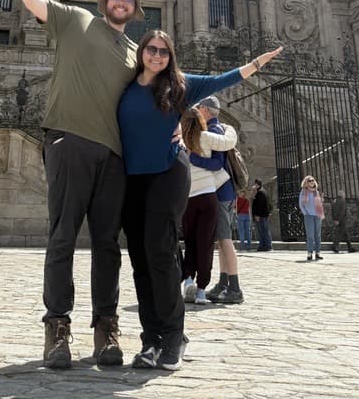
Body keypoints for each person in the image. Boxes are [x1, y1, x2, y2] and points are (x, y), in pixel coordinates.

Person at [0, 0, 140, 370]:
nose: (121, 2)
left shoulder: (137, 52)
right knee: (61, 239)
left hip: (113, 156)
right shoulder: (76, 20)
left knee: (107, 246)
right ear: (104, 1)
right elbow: (33, 1)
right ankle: (57, 330)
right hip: (68, 142)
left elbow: (153, 104)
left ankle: (106, 329)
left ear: (135, 10)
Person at [118, 30, 282, 370]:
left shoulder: (180, 85)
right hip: (132, 180)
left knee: (161, 256)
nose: (157, 55)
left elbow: (222, 80)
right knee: (140, 263)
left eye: (164, 51)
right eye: (151, 49)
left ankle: (173, 337)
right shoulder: (125, 85)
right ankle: (150, 340)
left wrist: (255, 63)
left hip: (168, 174)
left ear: (171, 56)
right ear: (141, 52)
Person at [180, 107, 237, 305]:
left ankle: (188, 279)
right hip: (208, 197)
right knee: (205, 244)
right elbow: (229, 141)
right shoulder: (206, 137)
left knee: (190, 242)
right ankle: (202, 291)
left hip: (188, 198)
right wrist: (228, 127)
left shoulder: (181, 141)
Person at [195, 97, 243, 304]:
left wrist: (192, 158)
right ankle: (223, 283)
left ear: (205, 110)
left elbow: (216, 164)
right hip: (224, 193)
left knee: (225, 241)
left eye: (199, 109)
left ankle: (235, 287)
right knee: (222, 242)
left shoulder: (214, 132)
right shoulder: (220, 129)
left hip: (222, 193)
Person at [299, 174, 324, 261]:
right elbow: (301, 205)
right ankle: (309, 253)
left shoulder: (315, 192)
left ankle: (318, 253)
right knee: (310, 236)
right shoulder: (303, 192)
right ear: (306, 183)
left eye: (313, 180)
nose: (312, 182)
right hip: (309, 216)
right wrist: (305, 213)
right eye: (310, 180)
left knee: (318, 235)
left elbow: (319, 204)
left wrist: (321, 201)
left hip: (317, 215)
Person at [251, 178, 273, 251]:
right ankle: (266, 245)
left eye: (255, 184)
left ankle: (265, 245)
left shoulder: (260, 193)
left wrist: (257, 215)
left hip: (261, 215)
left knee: (262, 231)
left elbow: (259, 205)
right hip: (264, 214)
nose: (254, 185)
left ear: (257, 185)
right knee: (264, 230)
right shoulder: (263, 191)